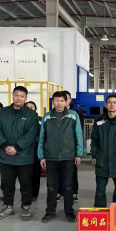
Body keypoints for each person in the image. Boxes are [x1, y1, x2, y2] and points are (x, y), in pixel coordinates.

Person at [0, 86, 40, 221]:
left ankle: (26, 207)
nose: (19, 98)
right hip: (6, 155)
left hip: (24, 157)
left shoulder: (31, 114)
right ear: (12, 96)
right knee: (7, 184)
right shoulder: (3, 112)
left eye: (22, 96)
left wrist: (17, 147)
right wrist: (5, 146)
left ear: (26, 98)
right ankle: (8, 206)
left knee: (26, 184)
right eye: (16, 95)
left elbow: (31, 134)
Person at [39, 91, 83, 223]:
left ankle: (69, 212)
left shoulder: (73, 115)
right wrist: (41, 156)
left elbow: (78, 135)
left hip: (68, 156)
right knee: (51, 186)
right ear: (53, 102)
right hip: (51, 157)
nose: (59, 103)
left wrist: (78, 154)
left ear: (66, 102)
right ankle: (50, 211)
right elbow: (42, 137)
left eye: (62, 101)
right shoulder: (47, 117)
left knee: (68, 186)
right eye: (56, 100)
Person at [57, 90, 85, 203]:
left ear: (69, 100)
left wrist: (78, 152)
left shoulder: (76, 114)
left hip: (71, 149)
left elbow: (78, 133)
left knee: (72, 173)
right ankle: (59, 192)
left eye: (65, 99)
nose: (62, 101)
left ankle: (74, 192)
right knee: (58, 172)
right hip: (57, 150)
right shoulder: (53, 114)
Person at [26, 101, 43, 202]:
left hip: (36, 149)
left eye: (32, 107)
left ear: (35, 109)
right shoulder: (21, 120)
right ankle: (26, 193)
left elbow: (42, 134)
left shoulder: (40, 120)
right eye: (27, 107)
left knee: (36, 173)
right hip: (24, 150)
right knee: (25, 175)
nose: (30, 108)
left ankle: (34, 194)